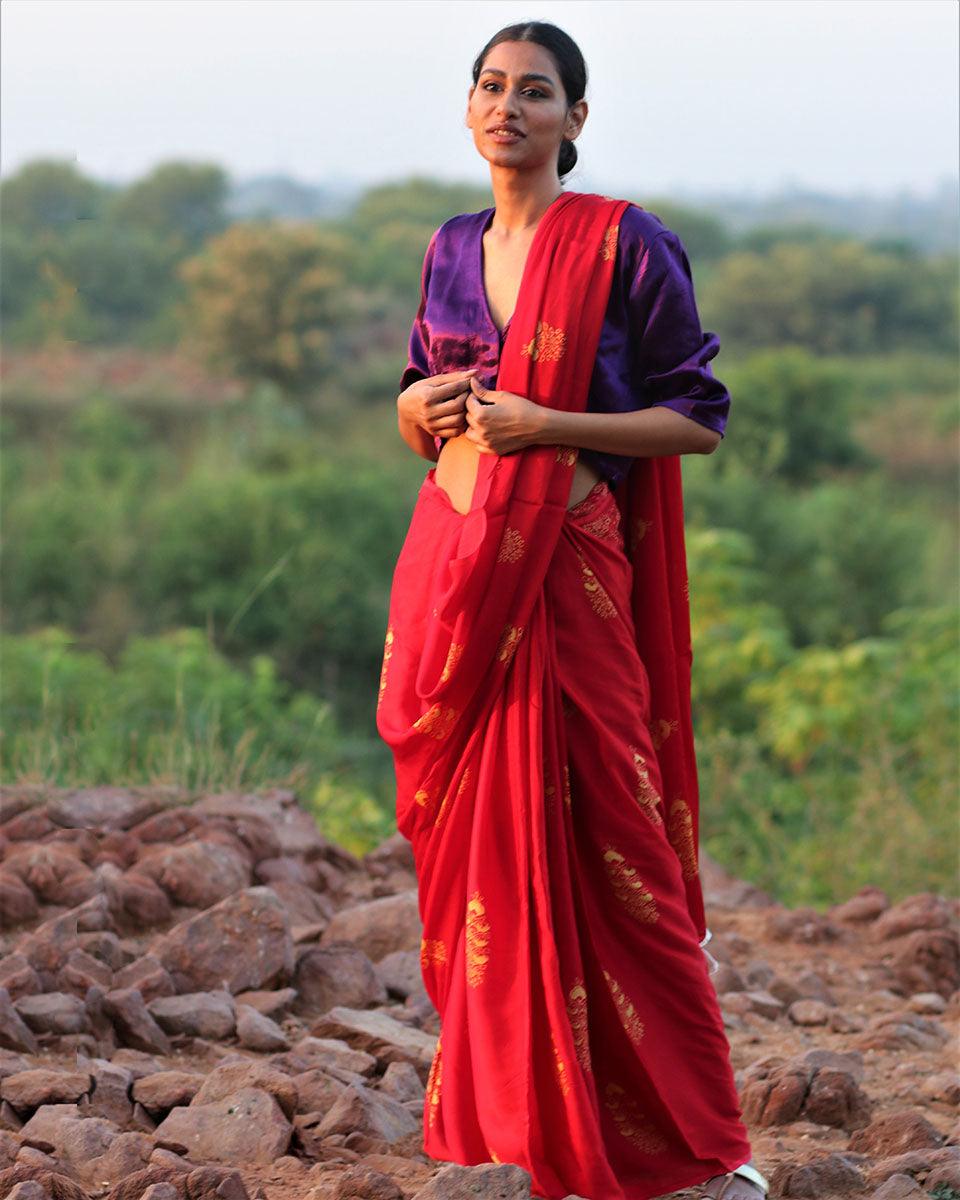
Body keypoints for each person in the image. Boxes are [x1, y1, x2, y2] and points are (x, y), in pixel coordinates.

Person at [377, 20, 770, 1200]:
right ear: (467, 110)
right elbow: (409, 399)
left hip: (571, 570)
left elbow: (697, 415)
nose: (510, 108)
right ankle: (507, 1135)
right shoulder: (450, 247)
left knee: (623, 850)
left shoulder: (626, 244)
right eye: (491, 88)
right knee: (481, 858)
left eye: (536, 92)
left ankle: (705, 1145)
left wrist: (550, 428)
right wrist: (425, 410)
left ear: (575, 122)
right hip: (459, 572)